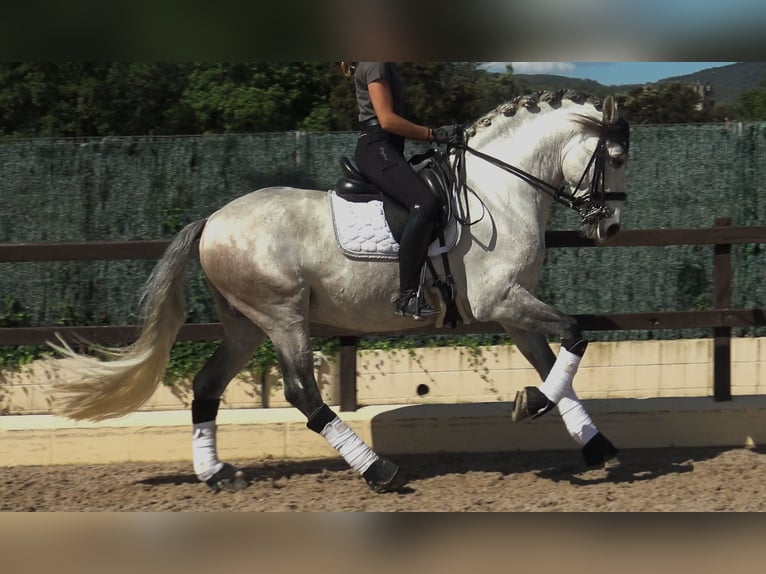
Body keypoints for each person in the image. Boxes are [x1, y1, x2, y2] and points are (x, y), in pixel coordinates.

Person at [341, 61, 460, 320]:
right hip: (377, 147)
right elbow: (387, 120)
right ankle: (407, 296)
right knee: (424, 204)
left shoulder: (385, 63)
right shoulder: (375, 62)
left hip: (389, 148)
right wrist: (433, 133)